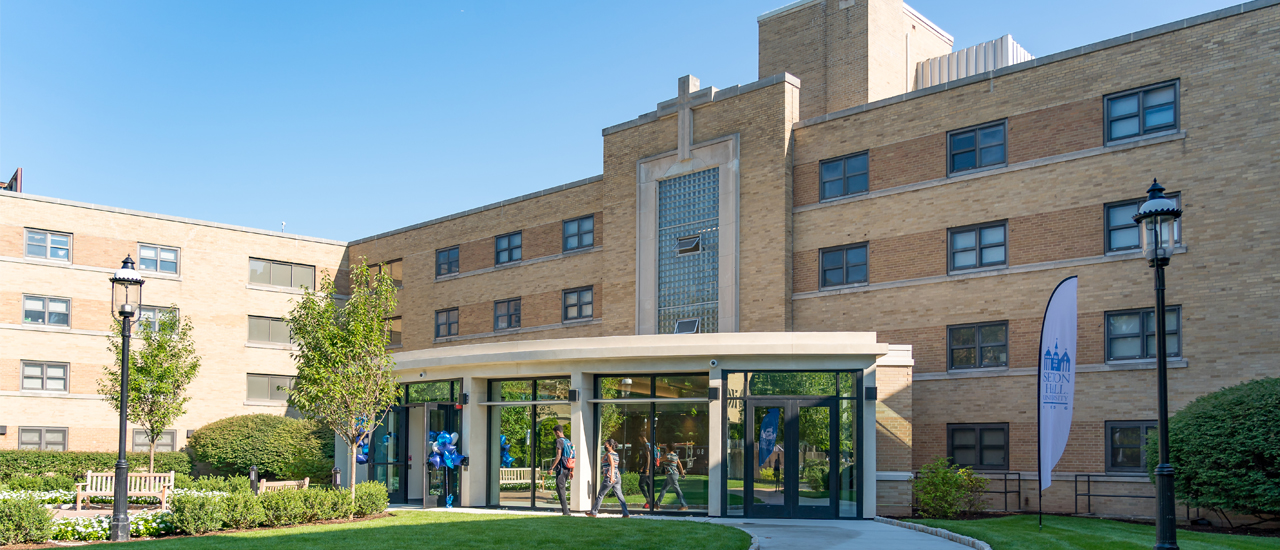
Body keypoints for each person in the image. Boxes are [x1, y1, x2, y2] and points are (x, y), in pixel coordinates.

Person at [587, 438, 630, 518]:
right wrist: (607, 452)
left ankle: (593, 513)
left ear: (610, 446)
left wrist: (611, 477)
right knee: (620, 496)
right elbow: (602, 460)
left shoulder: (610, 455)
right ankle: (626, 513)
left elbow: (612, 465)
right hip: (618, 477)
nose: (605, 446)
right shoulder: (615, 454)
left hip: (610, 477)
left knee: (600, 494)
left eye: (606, 445)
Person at [656, 443, 689, 511]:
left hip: (671, 474)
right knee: (663, 489)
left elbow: (659, 460)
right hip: (674, 474)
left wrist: (658, 453)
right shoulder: (675, 455)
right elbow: (679, 464)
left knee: (677, 490)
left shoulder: (667, 455)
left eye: (666, 447)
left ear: (668, 448)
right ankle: (657, 504)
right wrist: (682, 473)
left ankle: (684, 505)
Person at [552, 424, 573, 516]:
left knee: (561, 489)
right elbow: (572, 457)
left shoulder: (559, 441)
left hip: (561, 468)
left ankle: (566, 511)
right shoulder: (568, 442)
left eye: (554, 433)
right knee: (559, 488)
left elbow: (558, 456)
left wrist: (551, 467)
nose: (555, 435)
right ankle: (565, 510)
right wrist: (572, 470)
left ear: (557, 432)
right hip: (568, 468)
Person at [638, 435, 655, 510]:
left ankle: (648, 500)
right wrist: (643, 467)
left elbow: (648, 457)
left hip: (649, 467)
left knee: (641, 484)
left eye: (640, 439)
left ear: (642, 438)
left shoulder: (646, 446)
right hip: (651, 466)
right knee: (649, 484)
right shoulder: (650, 445)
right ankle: (652, 502)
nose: (640, 440)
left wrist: (647, 469)